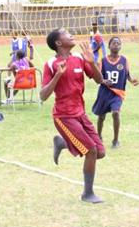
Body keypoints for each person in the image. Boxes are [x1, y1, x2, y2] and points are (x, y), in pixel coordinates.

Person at [43, 28, 105, 203]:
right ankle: (87, 193)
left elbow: (99, 80)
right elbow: (43, 95)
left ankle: (62, 142)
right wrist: (57, 76)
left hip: (80, 114)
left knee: (100, 152)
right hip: (63, 116)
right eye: (65, 33)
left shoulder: (79, 58)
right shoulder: (50, 64)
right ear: (58, 42)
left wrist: (92, 63)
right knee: (91, 151)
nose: (70, 34)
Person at [92, 36, 139, 148]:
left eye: (118, 43)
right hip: (104, 92)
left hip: (117, 93)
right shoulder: (103, 61)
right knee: (101, 116)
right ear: (109, 46)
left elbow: (127, 74)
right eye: (114, 43)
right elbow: (98, 77)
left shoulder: (124, 60)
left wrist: (132, 80)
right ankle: (99, 136)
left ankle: (115, 140)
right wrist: (103, 81)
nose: (116, 44)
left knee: (115, 113)